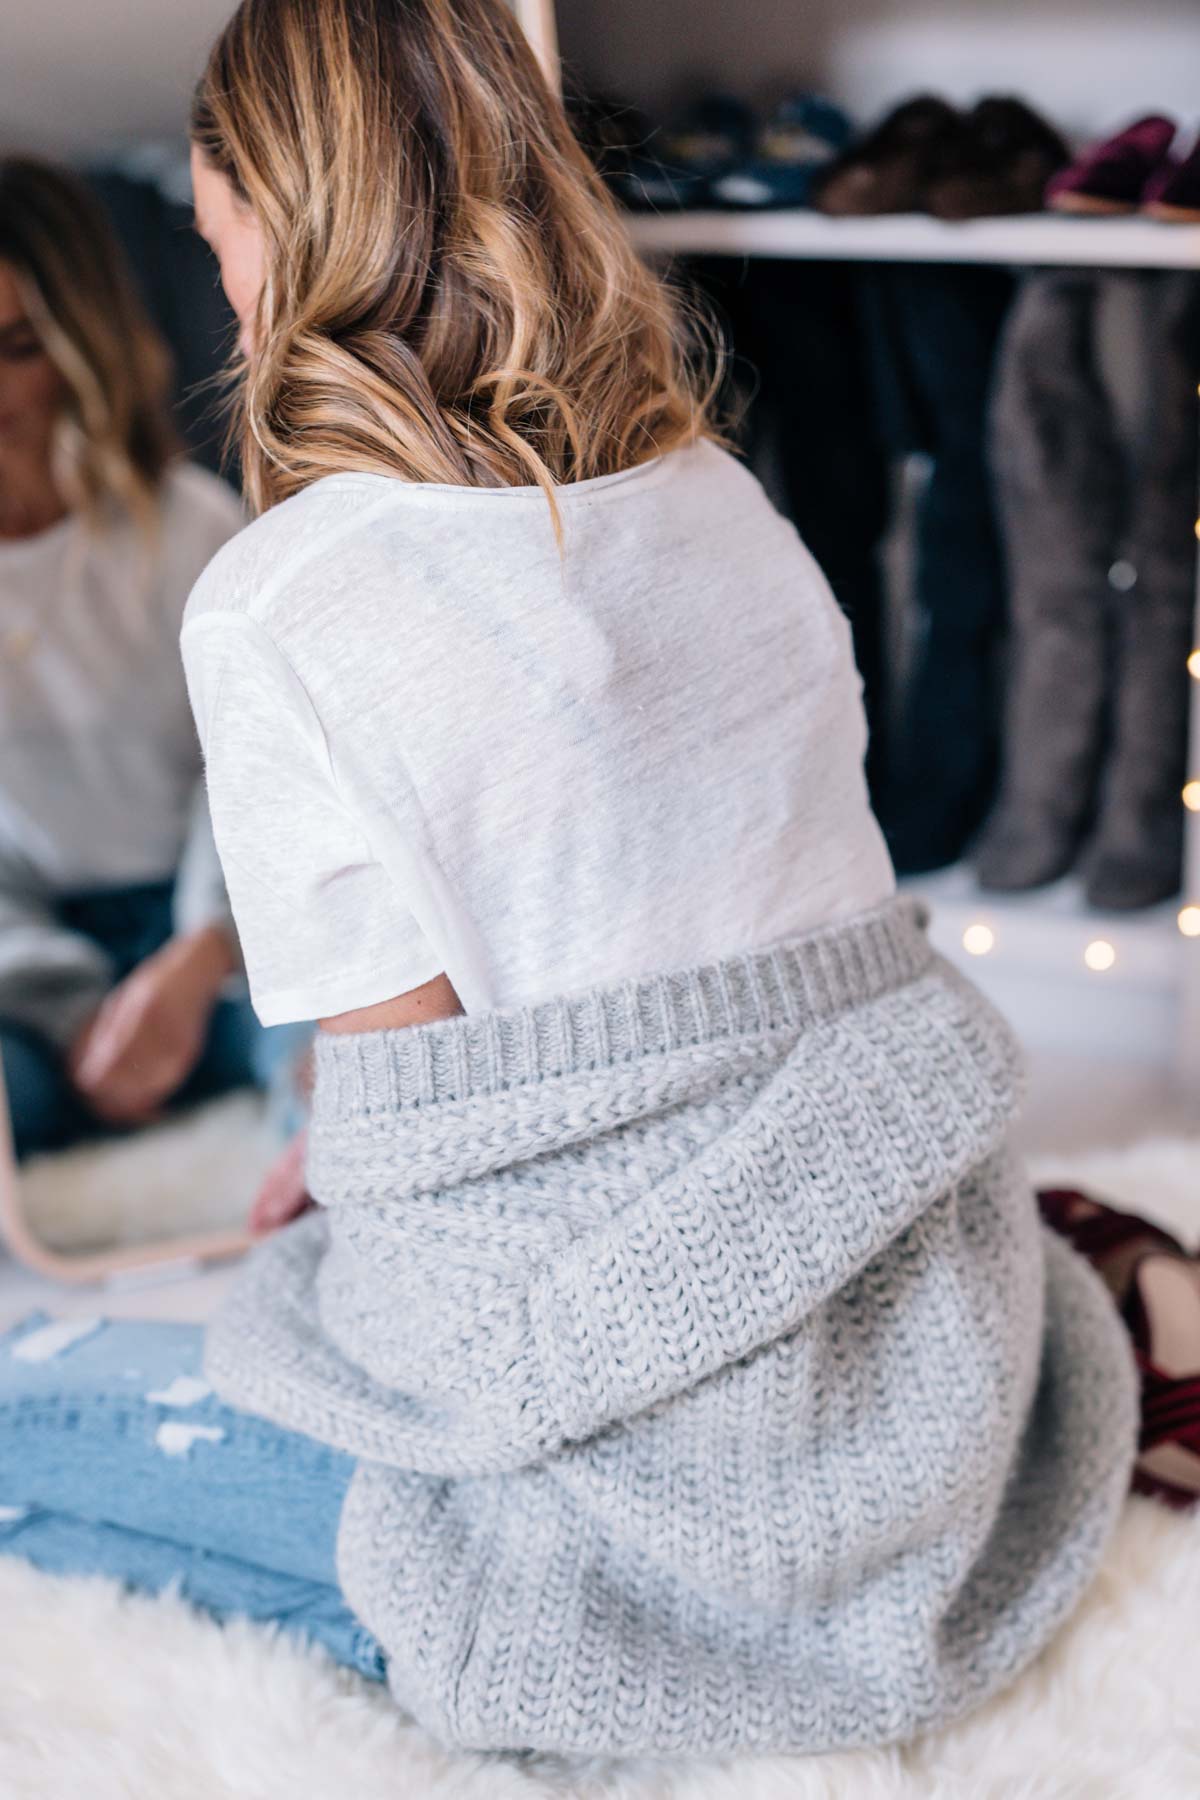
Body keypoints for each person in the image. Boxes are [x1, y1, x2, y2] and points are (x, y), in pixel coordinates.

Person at [0, 0, 1137, 1762]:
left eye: (216, 222)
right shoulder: (720, 500)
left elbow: (433, 1163)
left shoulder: (278, 597)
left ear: (269, 220)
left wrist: (351, 1175)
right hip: (920, 1363)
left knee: (37, 1426)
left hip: (655, 1488)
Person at [0, 157, 304, 1169]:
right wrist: (78, 1008)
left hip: (215, 932)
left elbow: (253, 766)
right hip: (29, 958)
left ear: (76, 345)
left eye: (18, 348)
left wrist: (201, 951)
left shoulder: (188, 529)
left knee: (341, 1056)